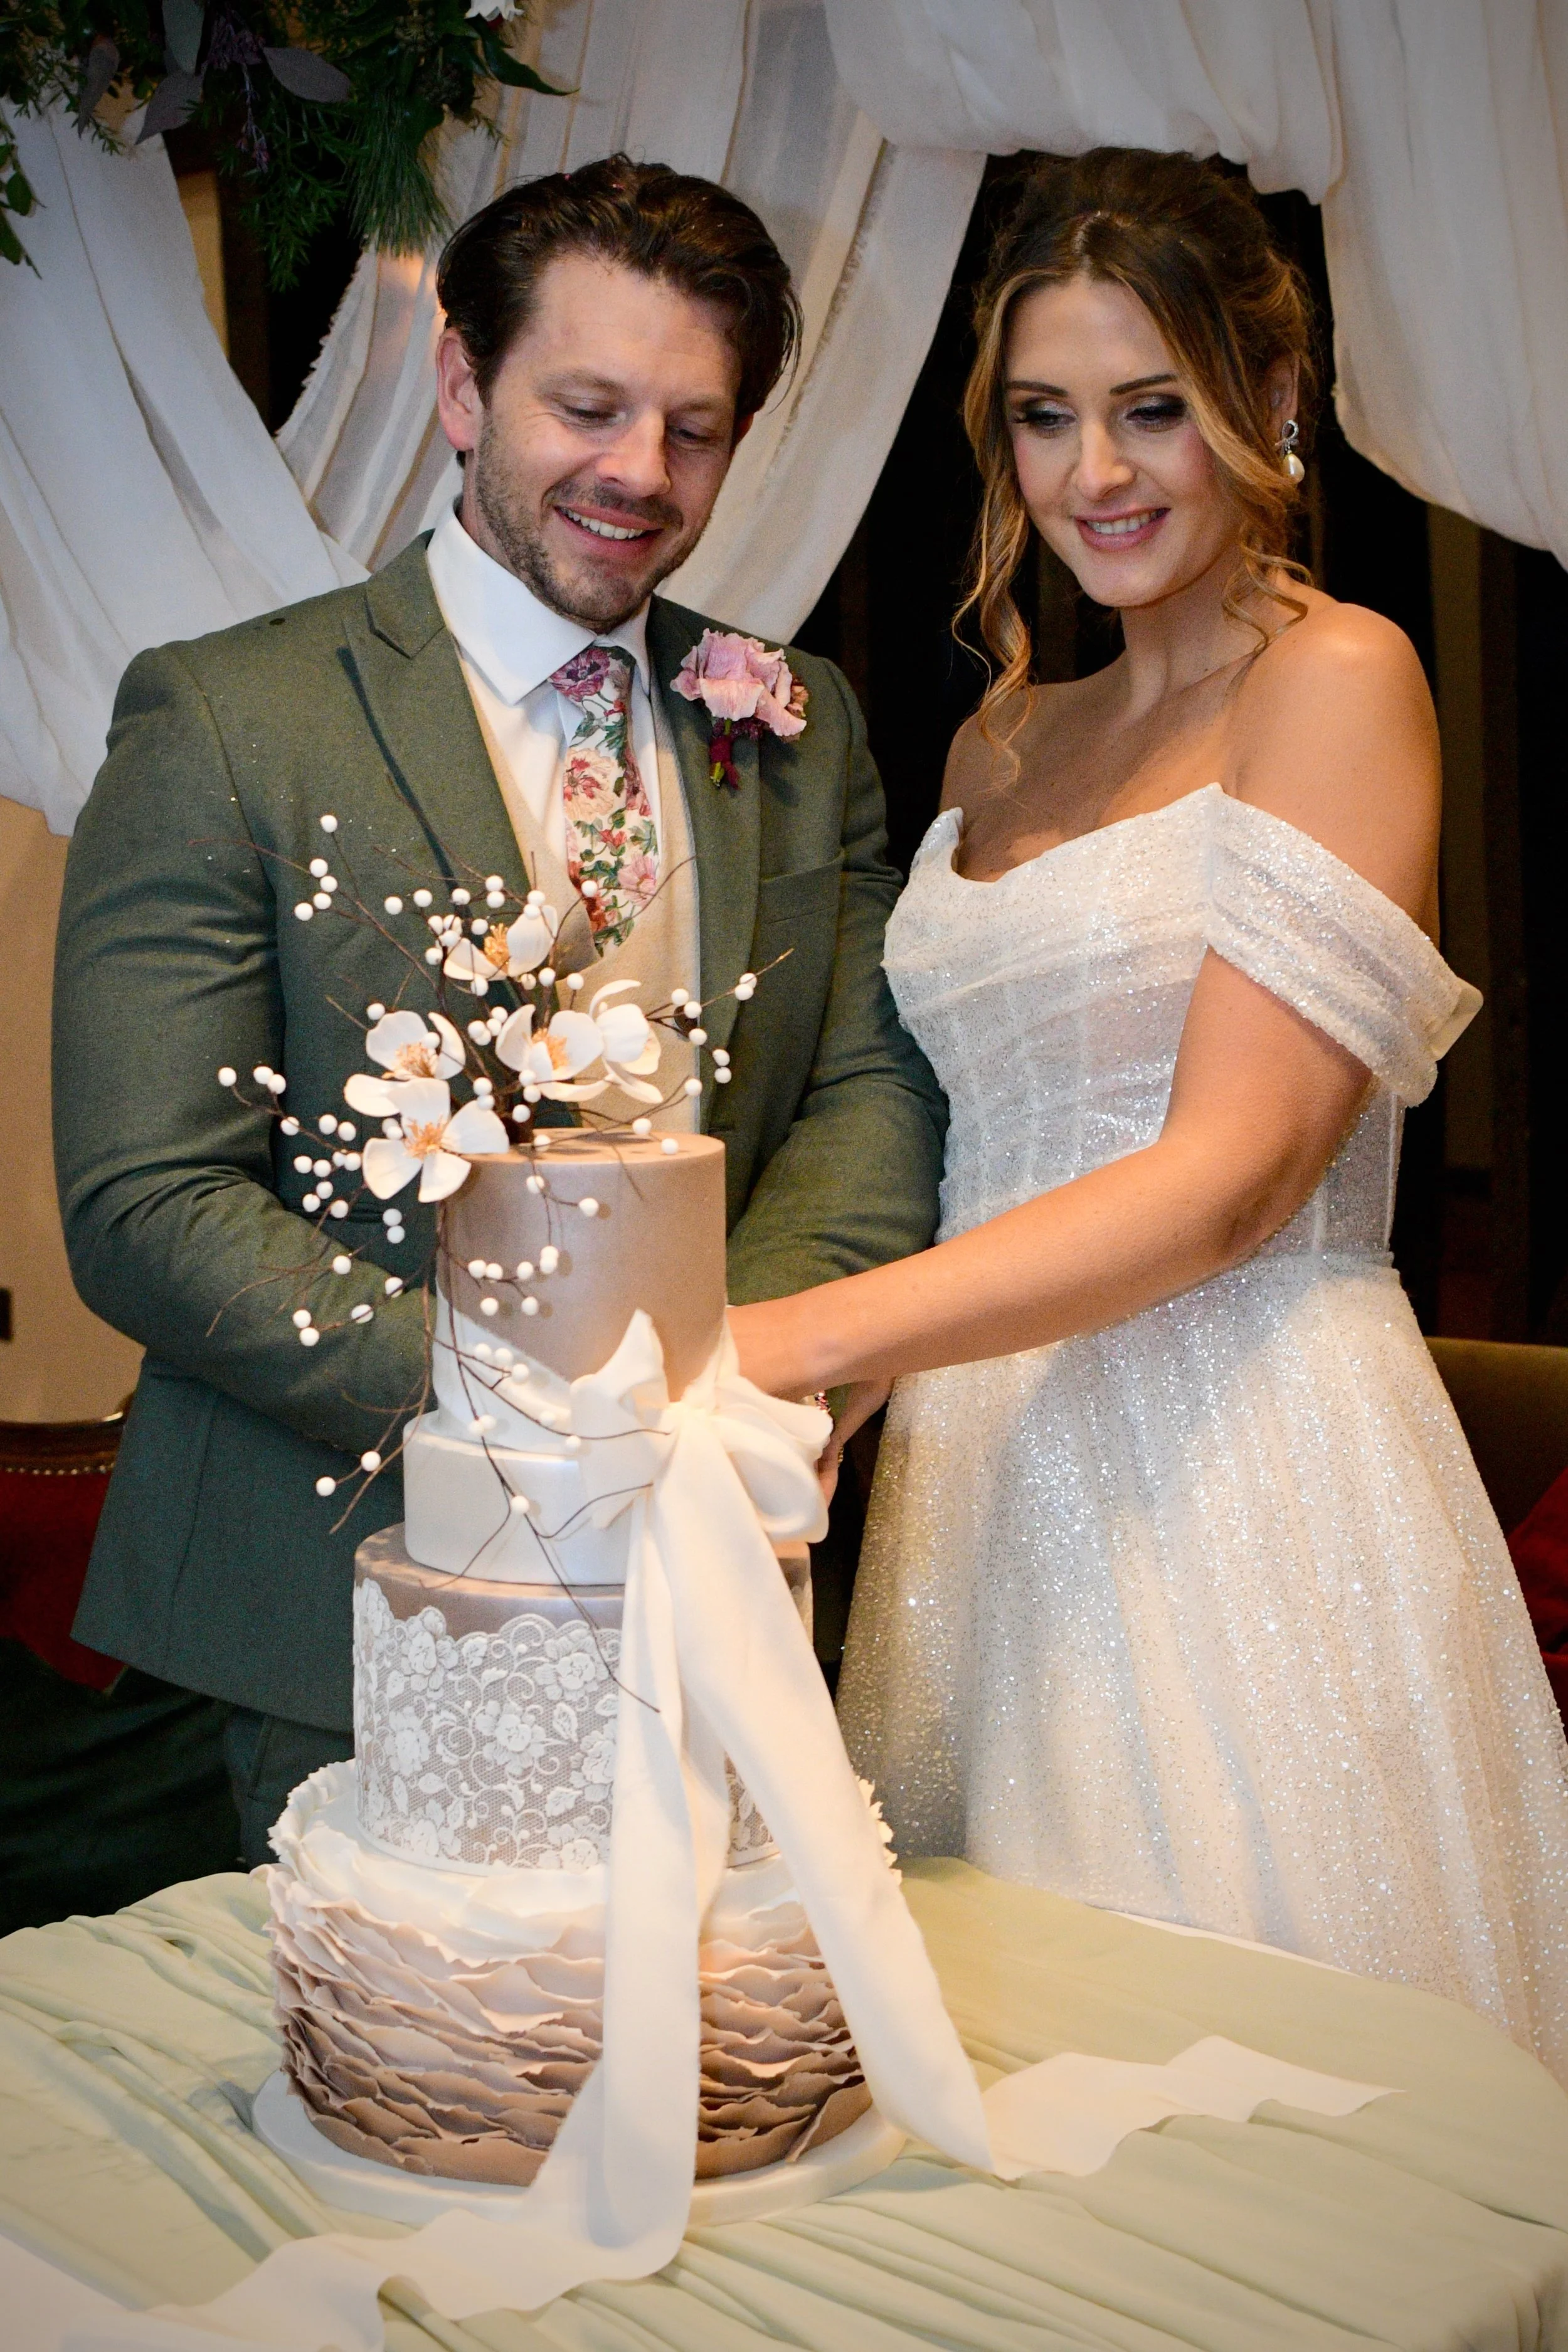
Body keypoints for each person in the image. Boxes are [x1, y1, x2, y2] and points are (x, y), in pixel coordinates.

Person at [730, 149, 1568, 2080]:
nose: (1093, 473)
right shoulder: (994, 737)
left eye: (1150, 407)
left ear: (1267, 406)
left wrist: (809, 1335)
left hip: (1240, 1464)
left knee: (1256, 2105)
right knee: (1003, 2110)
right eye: (1045, 416)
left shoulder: (1339, 677)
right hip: (981, 1489)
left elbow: (1226, 1180)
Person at [54, 155, 945, 1867]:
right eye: (587, 405)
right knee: (409, 2098)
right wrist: (529, 1418)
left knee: (694, 2091)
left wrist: (714, 1396)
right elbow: (146, 1201)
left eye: (694, 427)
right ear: (462, 384)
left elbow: (858, 1091)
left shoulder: (797, 719)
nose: (639, 472)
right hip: (340, 1595)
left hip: (714, 1574)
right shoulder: (230, 719)